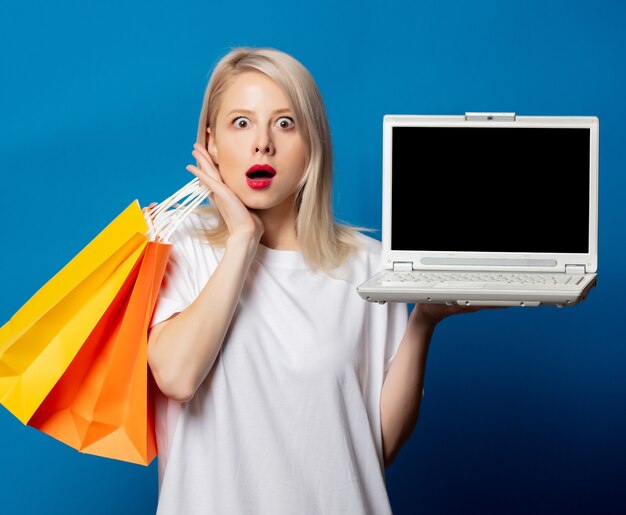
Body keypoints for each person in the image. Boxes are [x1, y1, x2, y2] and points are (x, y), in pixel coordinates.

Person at [147, 47, 480, 514]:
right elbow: (178, 376)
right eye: (241, 123)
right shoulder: (177, 244)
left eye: (285, 123)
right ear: (211, 144)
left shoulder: (369, 265)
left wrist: (424, 321)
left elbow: (374, 449)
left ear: (313, 146)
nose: (263, 143)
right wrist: (243, 238)